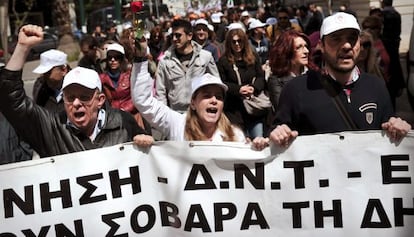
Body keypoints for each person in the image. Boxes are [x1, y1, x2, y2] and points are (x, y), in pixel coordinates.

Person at [0, 24, 152, 158]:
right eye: (70, 97)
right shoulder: (53, 129)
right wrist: (22, 47)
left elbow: (153, 163)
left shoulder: (122, 122)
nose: (77, 103)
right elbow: (11, 100)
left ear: (100, 100)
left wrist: (147, 142)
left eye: (84, 97)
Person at [268, 13, 411, 147]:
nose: (347, 46)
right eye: (336, 39)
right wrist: (277, 135)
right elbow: (278, 136)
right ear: (321, 46)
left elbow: (388, 137)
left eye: (352, 38)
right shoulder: (295, 89)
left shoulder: (377, 86)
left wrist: (397, 127)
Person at [130, 44, 269, 150]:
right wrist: (140, 59)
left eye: (219, 97)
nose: (214, 101)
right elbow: (143, 101)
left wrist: (258, 149)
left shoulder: (234, 135)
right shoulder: (177, 124)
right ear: (193, 103)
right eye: (207, 96)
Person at [155, 19, 219, 113]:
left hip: (201, 112)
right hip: (176, 113)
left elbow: (216, 83)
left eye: (178, 35)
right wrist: (164, 114)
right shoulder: (165, 61)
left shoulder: (205, 56)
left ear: (189, 36)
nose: (174, 39)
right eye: (172, 35)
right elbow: (160, 91)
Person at [217, 24, 267, 139]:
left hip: (253, 108)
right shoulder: (223, 61)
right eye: (233, 42)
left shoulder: (253, 57)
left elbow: (260, 77)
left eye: (239, 41)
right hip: (234, 110)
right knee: (239, 142)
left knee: (257, 140)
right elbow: (222, 83)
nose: (237, 44)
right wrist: (238, 89)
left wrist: (253, 88)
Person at [99, 42, 151, 134]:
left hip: (133, 116)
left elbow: (138, 96)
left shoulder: (130, 75)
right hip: (114, 119)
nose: (113, 60)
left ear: (122, 59)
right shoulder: (102, 78)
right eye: (110, 57)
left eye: (116, 57)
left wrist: (124, 109)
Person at [267, 30, 318, 112]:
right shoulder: (276, 81)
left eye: (306, 46)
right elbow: (284, 111)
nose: (306, 51)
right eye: (299, 48)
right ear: (287, 52)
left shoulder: (314, 73)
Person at [381, 0, 405, 109]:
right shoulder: (397, 14)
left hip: (386, 46)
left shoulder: (383, 15)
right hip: (395, 44)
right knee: (395, 66)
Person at [32, 49, 70, 113]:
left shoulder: (76, 88)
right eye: (44, 73)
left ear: (63, 70)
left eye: (49, 72)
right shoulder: (40, 88)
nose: (45, 77)